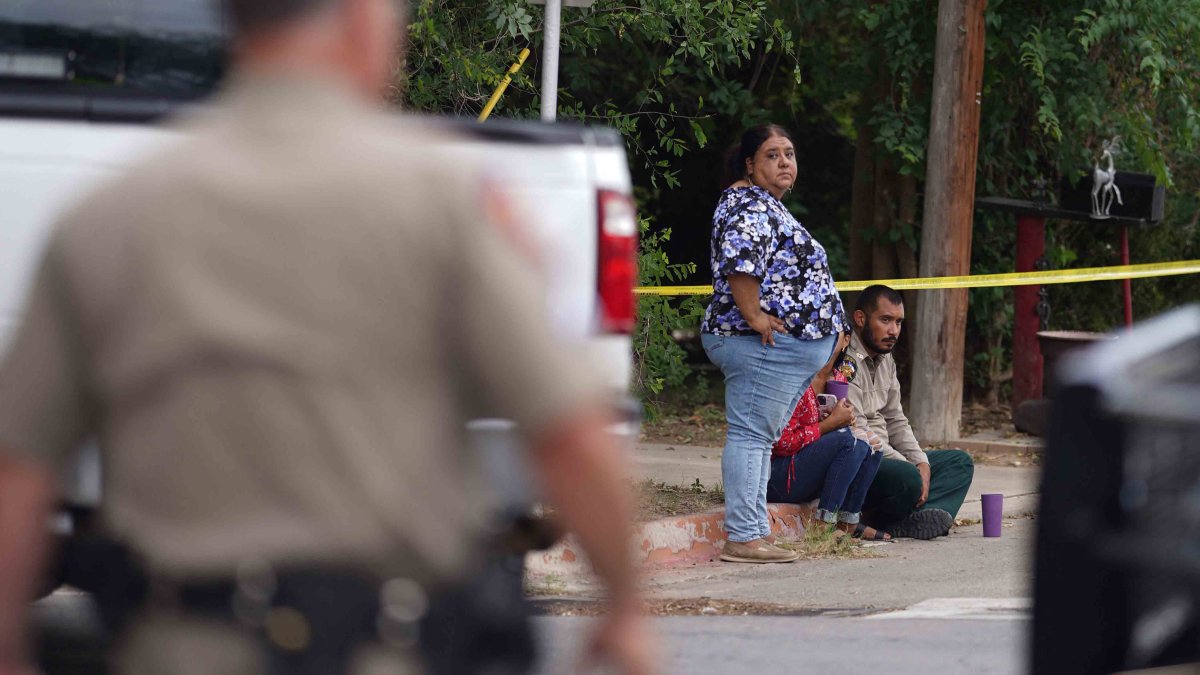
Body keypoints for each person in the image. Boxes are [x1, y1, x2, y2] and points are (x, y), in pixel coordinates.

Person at [0, 1, 655, 674]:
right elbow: (571, 433)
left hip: (174, 646)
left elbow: (17, 465)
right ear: (363, 19)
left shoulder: (105, 218)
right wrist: (626, 611)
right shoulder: (448, 205)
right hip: (384, 646)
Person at [701, 124, 848, 564]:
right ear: (750, 164)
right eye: (771, 155)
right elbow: (741, 262)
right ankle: (743, 537)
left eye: (789, 153)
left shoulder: (766, 205)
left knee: (759, 438)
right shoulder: (748, 205)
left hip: (777, 348)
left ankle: (754, 532)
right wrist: (754, 316)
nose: (785, 162)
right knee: (750, 435)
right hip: (754, 341)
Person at [839, 285, 975, 540]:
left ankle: (912, 520)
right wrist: (911, 468)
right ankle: (890, 519)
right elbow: (857, 430)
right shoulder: (845, 360)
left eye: (899, 322)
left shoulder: (885, 358)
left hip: (891, 458)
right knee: (908, 477)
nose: (894, 331)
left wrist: (921, 462)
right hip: (863, 459)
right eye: (886, 320)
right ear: (860, 318)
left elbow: (896, 420)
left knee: (959, 463)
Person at [768, 333, 891, 541]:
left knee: (870, 445)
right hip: (780, 477)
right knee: (847, 439)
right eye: (817, 333)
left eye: (830, 333)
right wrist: (829, 426)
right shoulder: (796, 378)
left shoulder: (840, 379)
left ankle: (849, 523)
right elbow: (783, 443)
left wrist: (847, 424)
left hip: (808, 475)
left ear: (846, 341)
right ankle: (823, 525)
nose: (821, 339)